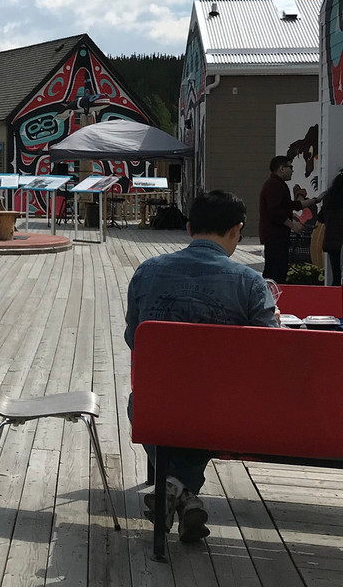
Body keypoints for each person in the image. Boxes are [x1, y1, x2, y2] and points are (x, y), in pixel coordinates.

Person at [126, 189, 277, 544]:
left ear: (190, 227)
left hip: (156, 404)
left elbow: (136, 339)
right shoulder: (250, 283)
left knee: (144, 404)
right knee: (208, 409)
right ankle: (183, 493)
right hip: (224, 410)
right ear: (237, 231)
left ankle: (172, 489)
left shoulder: (147, 272)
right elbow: (269, 351)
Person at [258, 156, 304, 283]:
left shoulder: (278, 185)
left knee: (277, 270)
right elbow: (275, 211)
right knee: (276, 272)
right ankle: (272, 298)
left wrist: (314, 201)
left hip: (277, 236)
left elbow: (288, 205)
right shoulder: (274, 185)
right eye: (290, 167)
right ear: (281, 168)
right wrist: (293, 225)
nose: (292, 170)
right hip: (275, 236)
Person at [318, 171, 343, 287]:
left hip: (331, 240)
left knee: (336, 276)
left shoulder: (329, 198)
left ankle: (334, 301)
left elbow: (321, 218)